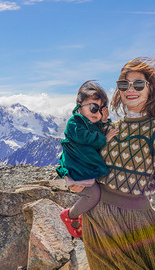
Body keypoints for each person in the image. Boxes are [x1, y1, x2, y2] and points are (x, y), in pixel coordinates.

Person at [70, 57, 155, 269]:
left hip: (135, 224)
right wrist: (74, 182)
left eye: (138, 84)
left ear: (151, 90)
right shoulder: (108, 129)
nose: (130, 89)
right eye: (124, 84)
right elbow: (84, 160)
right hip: (96, 219)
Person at [56, 80, 119, 238]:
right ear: (79, 104)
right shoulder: (74, 123)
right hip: (77, 171)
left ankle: (83, 216)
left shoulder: (88, 122)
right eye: (93, 107)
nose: (96, 113)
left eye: (101, 110)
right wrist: (105, 138)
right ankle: (70, 215)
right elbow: (87, 138)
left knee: (99, 193)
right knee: (93, 195)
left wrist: (104, 121)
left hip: (83, 169)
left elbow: (97, 129)